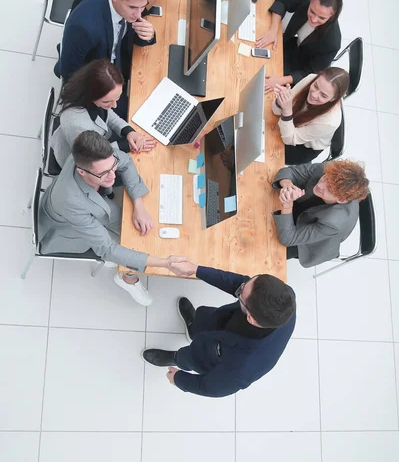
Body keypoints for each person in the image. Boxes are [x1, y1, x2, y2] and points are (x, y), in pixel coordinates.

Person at [38, 131, 186, 306]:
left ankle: (129, 264)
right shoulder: (70, 201)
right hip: (65, 231)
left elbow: (126, 161)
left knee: (138, 228)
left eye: (112, 166)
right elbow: (107, 249)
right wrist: (165, 263)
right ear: (82, 172)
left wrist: (138, 206)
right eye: (103, 174)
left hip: (96, 206)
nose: (113, 176)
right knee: (128, 246)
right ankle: (127, 278)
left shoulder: (98, 157)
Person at [142, 261, 296, 397]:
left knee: (191, 356)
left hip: (216, 353)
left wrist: (179, 380)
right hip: (224, 321)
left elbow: (211, 388)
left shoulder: (243, 368)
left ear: (250, 318)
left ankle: (176, 358)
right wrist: (196, 269)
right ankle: (193, 328)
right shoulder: (284, 296)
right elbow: (239, 283)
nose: (241, 285)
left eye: (240, 292)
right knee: (201, 323)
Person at [54, 0, 156, 117]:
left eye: (142, 7)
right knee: (133, 118)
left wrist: (149, 35)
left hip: (117, 63)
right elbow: (70, 74)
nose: (138, 14)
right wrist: (102, 98)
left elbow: (129, 33)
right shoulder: (84, 28)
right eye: (133, 8)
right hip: (95, 82)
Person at [51, 59, 157, 168]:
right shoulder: (77, 124)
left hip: (98, 142)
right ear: (90, 93)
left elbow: (108, 114)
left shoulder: (92, 97)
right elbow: (93, 155)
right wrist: (127, 146)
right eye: (107, 102)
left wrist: (129, 132)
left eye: (117, 98)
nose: (114, 106)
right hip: (83, 161)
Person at [272, 160, 370, 268]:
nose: (320, 185)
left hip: (309, 242)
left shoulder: (334, 223)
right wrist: (288, 186)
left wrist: (288, 204)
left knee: (269, 250)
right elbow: (289, 172)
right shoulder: (329, 170)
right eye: (325, 178)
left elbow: (288, 238)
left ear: (341, 200)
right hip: (303, 211)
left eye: (329, 189)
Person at [262, 0, 342, 92]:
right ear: (311, 0)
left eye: (321, 18)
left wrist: (281, 80)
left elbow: (310, 73)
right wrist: (273, 30)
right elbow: (282, 1)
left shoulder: (332, 43)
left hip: (297, 71)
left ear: (332, 16)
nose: (313, 20)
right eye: (312, 12)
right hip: (289, 45)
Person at [272, 67, 349, 165]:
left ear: (333, 99)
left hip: (302, 147)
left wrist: (286, 110)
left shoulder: (329, 122)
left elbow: (290, 139)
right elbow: (276, 111)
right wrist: (280, 100)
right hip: (294, 121)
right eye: (316, 86)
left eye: (323, 95)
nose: (314, 94)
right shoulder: (311, 79)